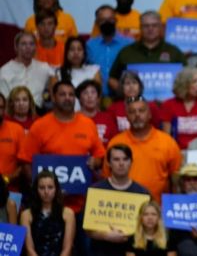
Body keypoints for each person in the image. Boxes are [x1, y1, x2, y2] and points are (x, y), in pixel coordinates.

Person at [19, 81, 105, 214]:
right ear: (53, 97)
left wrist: (96, 161)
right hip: (48, 207)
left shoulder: (88, 124)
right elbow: (26, 161)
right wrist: (42, 190)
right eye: (62, 94)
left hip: (81, 206)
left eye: (71, 94)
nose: (67, 98)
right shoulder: (39, 126)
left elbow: (100, 156)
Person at [106, 97, 182, 202]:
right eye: (132, 112)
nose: (137, 115)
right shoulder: (115, 143)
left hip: (157, 210)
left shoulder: (167, 142)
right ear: (127, 117)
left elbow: (176, 181)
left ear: (150, 114)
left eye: (141, 110)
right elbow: (107, 179)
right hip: (124, 209)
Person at [87, 144, 152, 256]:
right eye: (116, 159)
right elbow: (88, 229)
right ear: (108, 163)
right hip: (102, 251)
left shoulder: (143, 193)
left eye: (125, 159)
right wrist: (106, 236)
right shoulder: (96, 191)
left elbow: (150, 227)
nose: (121, 163)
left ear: (131, 162)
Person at [107, 11, 186, 94]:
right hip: (133, 104)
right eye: (146, 26)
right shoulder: (126, 52)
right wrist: (125, 93)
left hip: (167, 104)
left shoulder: (174, 52)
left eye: (154, 25)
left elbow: (187, 77)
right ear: (140, 28)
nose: (150, 29)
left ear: (160, 27)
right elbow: (112, 79)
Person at [21, 171, 76, 256]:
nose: (46, 191)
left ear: (56, 189)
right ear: (36, 190)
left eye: (50, 187)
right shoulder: (26, 214)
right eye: (42, 188)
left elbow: (67, 249)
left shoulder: (68, 213)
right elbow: (29, 249)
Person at [160, 67, 197, 149]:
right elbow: (166, 137)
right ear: (184, 83)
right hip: (176, 151)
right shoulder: (168, 104)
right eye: (194, 81)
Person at [86, 5, 134, 96]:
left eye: (110, 19)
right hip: (96, 98)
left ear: (116, 20)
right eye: (103, 20)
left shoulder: (129, 44)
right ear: (97, 23)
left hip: (123, 97)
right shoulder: (89, 45)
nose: (107, 23)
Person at [0, 32, 53, 107]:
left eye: (31, 44)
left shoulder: (44, 68)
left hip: (38, 114)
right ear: (16, 47)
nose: (28, 47)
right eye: (23, 44)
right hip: (13, 114)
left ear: (35, 47)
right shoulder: (5, 71)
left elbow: (55, 88)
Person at [76, 80, 118, 144]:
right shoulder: (73, 118)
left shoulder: (108, 118)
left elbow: (115, 142)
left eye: (93, 92)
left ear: (98, 98)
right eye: (85, 93)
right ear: (80, 98)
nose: (89, 96)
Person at [0, 99, 25, 186]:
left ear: (5, 110)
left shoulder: (17, 130)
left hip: (11, 190)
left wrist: (6, 180)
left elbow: (24, 164)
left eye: (1, 107)